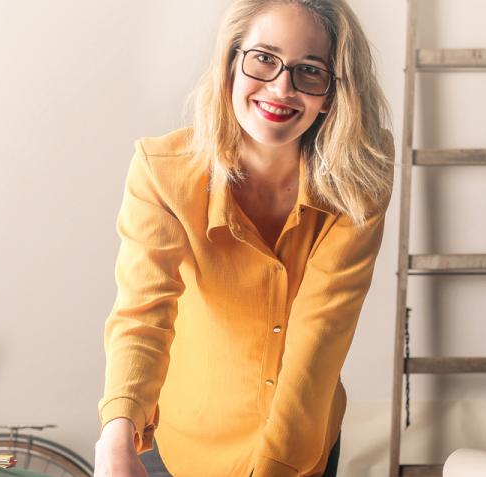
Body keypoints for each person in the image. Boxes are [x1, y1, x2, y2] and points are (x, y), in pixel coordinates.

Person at [94, 1, 393, 476]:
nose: (281, 88)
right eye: (263, 58)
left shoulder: (359, 178)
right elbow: (144, 314)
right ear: (230, 62)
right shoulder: (161, 172)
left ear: (333, 92)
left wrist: (274, 466)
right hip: (183, 447)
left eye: (309, 71)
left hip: (300, 448)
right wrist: (116, 433)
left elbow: (320, 335)